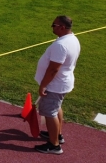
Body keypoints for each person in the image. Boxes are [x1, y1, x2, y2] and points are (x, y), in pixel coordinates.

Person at [34, 16, 80, 155]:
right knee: (56, 108)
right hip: (62, 83)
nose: (51, 27)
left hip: (55, 85)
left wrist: (43, 85)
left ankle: (54, 145)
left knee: (50, 112)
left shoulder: (61, 45)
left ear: (62, 27)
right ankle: (57, 135)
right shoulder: (72, 38)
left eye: (54, 25)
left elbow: (54, 69)